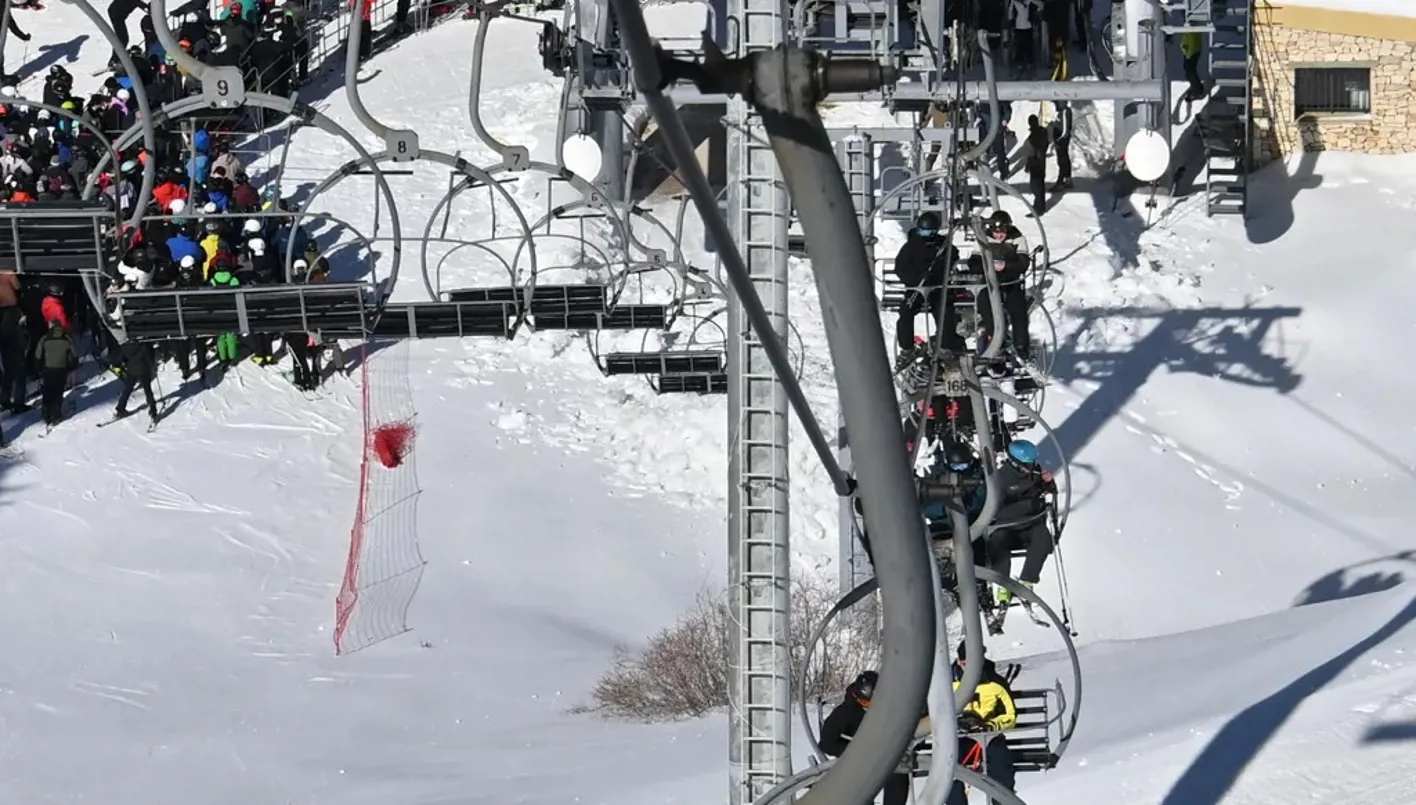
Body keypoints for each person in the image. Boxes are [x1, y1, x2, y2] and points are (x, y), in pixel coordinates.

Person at [820, 671, 925, 805]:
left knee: (898, 775)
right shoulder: (845, 713)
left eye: (873, 703)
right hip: (861, 762)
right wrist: (855, 752)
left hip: (891, 757)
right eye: (864, 702)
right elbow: (826, 743)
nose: (868, 706)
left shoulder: (893, 707)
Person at [984, 440, 1057, 605]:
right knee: (997, 541)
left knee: (1043, 536)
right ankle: (1001, 584)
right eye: (1027, 465)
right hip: (1006, 527)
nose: (1031, 467)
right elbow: (996, 512)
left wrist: (1048, 483)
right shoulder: (999, 479)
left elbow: (1049, 492)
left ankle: (1027, 581)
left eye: (1032, 463)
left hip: (1030, 524)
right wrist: (1028, 505)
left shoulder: (1035, 473)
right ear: (1015, 463)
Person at [948, 640, 1018, 805]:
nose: (968, 669)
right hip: (959, 738)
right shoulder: (947, 683)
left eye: (972, 664)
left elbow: (1010, 715)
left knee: (1001, 766)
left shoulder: (995, 683)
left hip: (989, 736)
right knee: (948, 766)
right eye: (964, 664)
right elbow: (937, 711)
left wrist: (990, 726)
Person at [892, 211, 957, 367]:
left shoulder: (942, 245)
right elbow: (900, 269)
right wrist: (917, 277)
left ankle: (944, 346)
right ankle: (907, 348)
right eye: (922, 231)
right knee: (906, 312)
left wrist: (941, 265)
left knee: (945, 312)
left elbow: (953, 255)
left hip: (937, 287)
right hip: (917, 288)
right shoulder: (911, 246)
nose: (925, 235)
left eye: (929, 232)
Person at [977, 211, 1033, 361]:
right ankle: (996, 340)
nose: (999, 236)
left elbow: (1023, 263)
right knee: (986, 305)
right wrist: (987, 266)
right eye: (996, 232)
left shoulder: (1018, 238)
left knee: (1018, 309)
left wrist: (1006, 266)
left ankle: (1021, 347)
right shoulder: (984, 238)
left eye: (1002, 232)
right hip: (990, 281)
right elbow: (974, 262)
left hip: (1010, 281)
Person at [34, 320, 76, 428]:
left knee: (48, 391)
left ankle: (45, 413)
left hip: (48, 369)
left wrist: (38, 367)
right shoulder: (66, 337)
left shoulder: (45, 338)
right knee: (58, 391)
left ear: (51, 326)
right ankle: (55, 415)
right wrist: (72, 365)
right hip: (61, 369)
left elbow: (38, 354)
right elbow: (74, 353)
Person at [114, 337, 161, 425]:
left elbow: (120, 359)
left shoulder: (125, 346)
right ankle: (153, 412)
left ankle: (120, 409)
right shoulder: (143, 346)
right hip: (143, 370)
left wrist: (124, 366)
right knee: (148, 390)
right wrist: (153, 367)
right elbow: (149, 359)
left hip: (131, 371)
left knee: (127, 389)